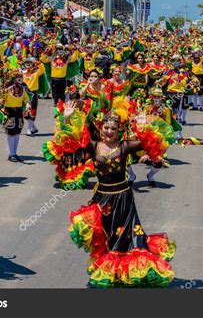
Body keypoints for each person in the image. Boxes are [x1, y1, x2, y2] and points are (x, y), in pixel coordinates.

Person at [52, 101, 176, 287]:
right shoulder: (94, 146)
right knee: (106, 237)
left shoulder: (124, 146)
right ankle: (111, 271)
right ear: (101, 128)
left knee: (125, 237)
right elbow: (73, 141)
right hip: (102, 199)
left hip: (123, 198)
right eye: (106, 127)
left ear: (119, 131)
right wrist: (68, 117)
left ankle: (129, 272)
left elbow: (150, 142)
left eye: (114, 128)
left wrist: (143, 124)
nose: (109, 131)